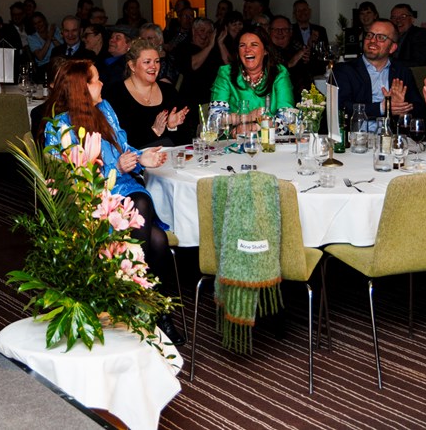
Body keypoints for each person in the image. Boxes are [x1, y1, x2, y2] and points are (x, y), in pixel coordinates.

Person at [42, 59, 184, 345]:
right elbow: (73, 179)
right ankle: (152, 308)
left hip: (125, 188)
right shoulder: (58, 128)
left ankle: (142, 304)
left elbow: (123, 146)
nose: (102, 83)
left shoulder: (105, 109)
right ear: (82, 88)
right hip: (94, 200)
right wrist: (116, 168)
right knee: (156, 239)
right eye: (95, 80)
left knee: (141, 203)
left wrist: (141, 157)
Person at [328, 19, 422, 128]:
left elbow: (419, 107)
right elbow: (340, 106)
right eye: (369, 35)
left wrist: (402, 109)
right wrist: (382, 108)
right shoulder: (344, 70)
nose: (372, 40)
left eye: (381, 37)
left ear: (392, 48)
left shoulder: (401, 72)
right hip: (357, 136)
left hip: (391, 136)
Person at [103, 39, 189, 148]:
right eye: (147, 62)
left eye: (157, 61)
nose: (154, 66)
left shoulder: (169, 91)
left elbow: (187, 138)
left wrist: (172, 127)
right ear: (132, 66)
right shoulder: (115, 95)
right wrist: (154, 131)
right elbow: (117, 142)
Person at [209, 28, 294, 134]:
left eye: (254, 45)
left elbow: (288, 117)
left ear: (265, 51)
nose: (247, 50)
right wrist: (246, 117)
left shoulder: (279, 73)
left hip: (270, 140)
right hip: (233, 140)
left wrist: (256, 127)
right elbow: (214, 118)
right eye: (242, 45)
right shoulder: (226, 73)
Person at [269, 15, 314, 100]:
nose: (280, 32)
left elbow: (314, 69)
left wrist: (309, 59)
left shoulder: (296, 45)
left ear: (290, 32)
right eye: (276, 29)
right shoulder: (266, 51)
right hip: (278, 97)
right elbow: (276, 73)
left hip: (305, 96)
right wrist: (291, 62)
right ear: (269, 32)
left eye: (284, 29)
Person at [290, 0, 329, 77]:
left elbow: (325, 53)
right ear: (294, 14)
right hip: (296, 74)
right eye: (299, 11)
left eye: (304, 10)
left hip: (317, 73)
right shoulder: (289, 30)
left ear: (310, 11)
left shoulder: (320, 30)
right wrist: (309, 44)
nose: (302, 13)